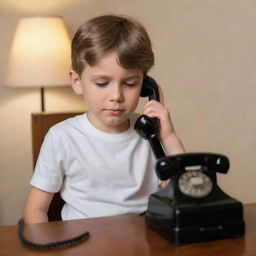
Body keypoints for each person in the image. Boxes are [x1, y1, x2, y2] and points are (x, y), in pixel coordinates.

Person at [24, 15, 185, 223]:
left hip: (142, 239)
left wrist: (168, 135)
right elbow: (35, 210)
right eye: (102, 83)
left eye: (129, 83)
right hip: (83, 241)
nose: (116, 96)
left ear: (146, 86)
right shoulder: (62, 137)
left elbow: (180, 189)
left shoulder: (149, 134)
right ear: (77, 81)